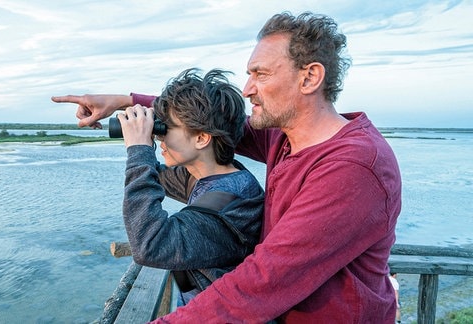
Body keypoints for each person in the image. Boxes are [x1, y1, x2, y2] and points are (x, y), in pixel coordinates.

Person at [52, 11, 402, 323]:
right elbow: (208, 122)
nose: (248, 89)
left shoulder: (352, 168)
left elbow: (263, 281)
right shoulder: (288, 137)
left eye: (260, 74)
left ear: (309, 78)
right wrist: (125, 101)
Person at [58, 68, 264, 305]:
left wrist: (139, 148)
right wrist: (133, 126)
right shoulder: (214, 175)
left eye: (167, 128)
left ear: (201, 138)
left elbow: (149, 245)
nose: (159, 137)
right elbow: (150, 174)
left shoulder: (228, 203)